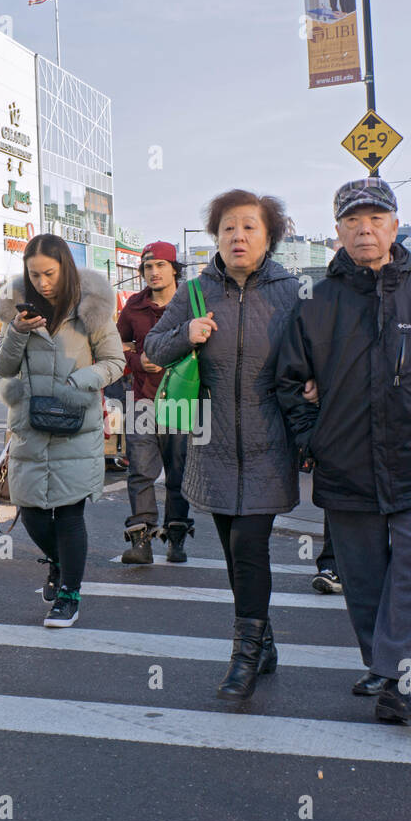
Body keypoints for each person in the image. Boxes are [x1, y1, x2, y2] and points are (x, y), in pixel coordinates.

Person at [277, 177, 411, 723]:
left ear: (394, 225)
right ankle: (383, 666)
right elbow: (287, 381)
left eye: (375, 219)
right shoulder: (315, 300)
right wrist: (311, 437)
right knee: (365, 580)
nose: (364, 229)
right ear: (337, 230)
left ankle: (400, 682)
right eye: (352, 220)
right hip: (346, 464)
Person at [145, 189, 301, 701]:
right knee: (235, 551)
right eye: (229, 227)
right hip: (210, 445)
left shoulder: (289, 293)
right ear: (216, 236)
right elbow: (152, 350)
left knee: (250, 546)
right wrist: (186, 334)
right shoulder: (195, 290)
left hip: (268, 444)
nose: (238, 236)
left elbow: (311, 360)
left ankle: (243, 657)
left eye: (249, 227)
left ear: (268, 236)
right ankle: (265, 640)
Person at [0, 233, 125, 627]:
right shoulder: (20, 312)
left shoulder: (92, 309)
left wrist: (78, 382)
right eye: (34, 275)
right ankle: (57, 562)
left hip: (75, 425)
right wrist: (16, 330)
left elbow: (115, 362)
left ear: (65, 268)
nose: (42, 282)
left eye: (49, 273)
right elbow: (2, 367)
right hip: (30, 427)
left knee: (68, 515)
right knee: (31, 511)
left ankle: (69, 593)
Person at [116, 241, 192, 564]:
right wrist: (137, 361)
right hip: (142, 398)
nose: (154, 272)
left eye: (161, 265)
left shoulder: (191, 302)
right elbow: (115, 345)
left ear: (175, 269)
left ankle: (176, 538)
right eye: (148, 266)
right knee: (141, 472)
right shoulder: (133, 305)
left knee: (180, 472)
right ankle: (142, 541)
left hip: (184, 400)